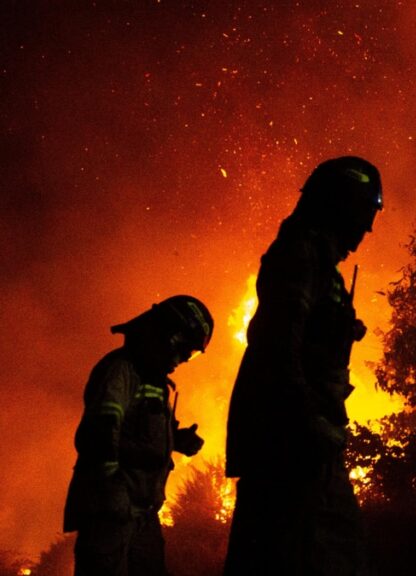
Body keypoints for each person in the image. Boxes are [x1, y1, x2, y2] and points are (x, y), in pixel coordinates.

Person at [224, 156, 383, 575]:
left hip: (306, 439)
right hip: (290, 442)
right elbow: (277, 343)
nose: (368, 229)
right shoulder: (301, 253)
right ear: (339, 205)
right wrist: (308, 419)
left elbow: (303, 333)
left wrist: (342, 329)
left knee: (331, 550)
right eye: (365, 212)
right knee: (300, 553)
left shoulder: (318, 262)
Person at [64, 295, 214, 576]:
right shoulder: (121, 370)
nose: (183, 359)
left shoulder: (152, 379)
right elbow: (98, 433)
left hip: (142, 515)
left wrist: (176, 439)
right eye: (185, 349)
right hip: (109, 514)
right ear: (169, 335)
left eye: (191, 355)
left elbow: (139, 433)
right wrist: (113, 491)